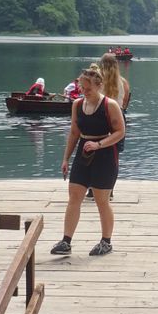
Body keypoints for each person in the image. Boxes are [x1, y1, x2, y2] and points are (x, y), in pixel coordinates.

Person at [51, 67, 125, 257]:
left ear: (99, 86)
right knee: (74, 197)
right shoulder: (77, 104)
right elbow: (74, 133)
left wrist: (99, 144)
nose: (84, 91)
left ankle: (106, 241)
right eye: (82, 87)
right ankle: (66, 241)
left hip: (105, 154)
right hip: (84, 152)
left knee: (102, 200)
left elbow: (120, 132)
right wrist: (65, 158)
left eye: (88, 88)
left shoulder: (110, 105)